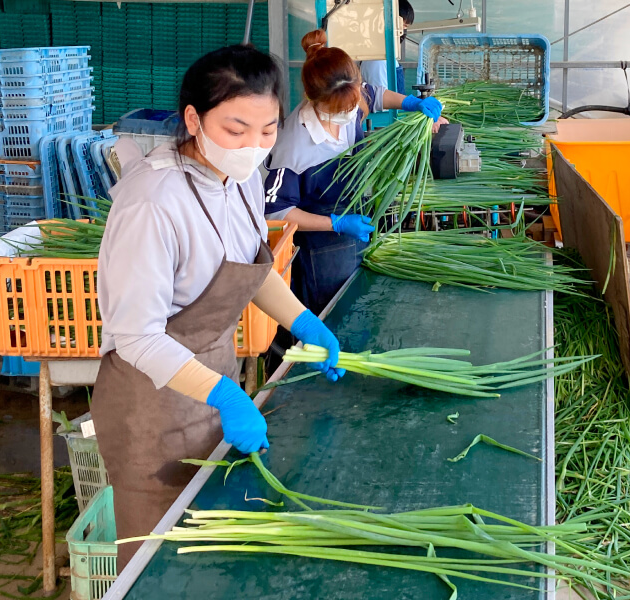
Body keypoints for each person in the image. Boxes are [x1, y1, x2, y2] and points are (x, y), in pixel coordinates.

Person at [91, 45, 346, 572]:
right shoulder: (153, 201)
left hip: (213, 388)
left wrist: (304, 323)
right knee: (160, 564)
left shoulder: (245, 178)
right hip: (149, 408)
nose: (253, 145)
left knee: (211, 556)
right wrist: (226, 394)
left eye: (269, 129)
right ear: (193, 119)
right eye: (236, 129)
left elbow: (250, 273)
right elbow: (137, 335)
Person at [263, 29, 447, 313]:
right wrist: (335, 223)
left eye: (353, 105)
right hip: (321, 244)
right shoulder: (293, 145)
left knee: (360, 303)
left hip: (355, 218)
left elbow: (372, 96)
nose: (352, 113)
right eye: (344, 109)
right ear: (316, 100)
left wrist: (412, 103)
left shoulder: (349, 99)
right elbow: (275, 211)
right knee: (334, 312)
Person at [359, 0, 414, 95]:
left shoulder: (387, 57)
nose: (403, 32)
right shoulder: (377, 62)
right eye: (402, 26)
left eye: (406, 28)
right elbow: (382, 102)